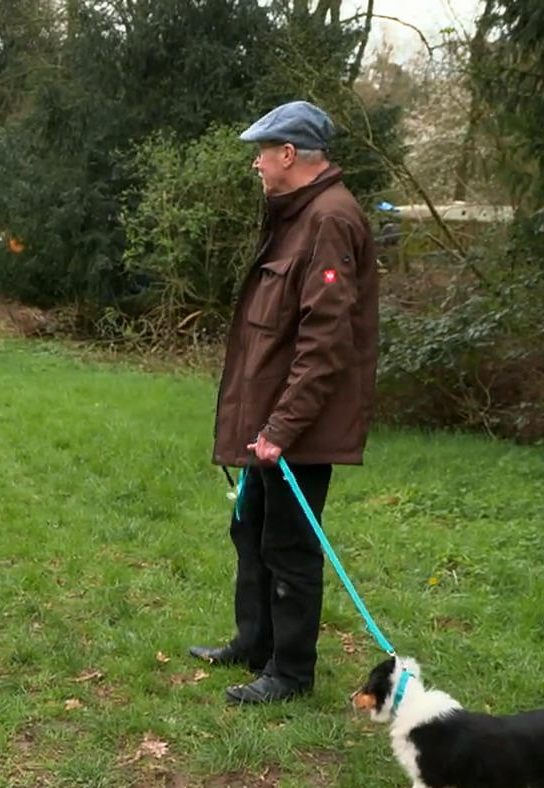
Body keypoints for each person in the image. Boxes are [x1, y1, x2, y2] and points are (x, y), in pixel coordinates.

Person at [189, 101, 380, 705]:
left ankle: (291, 673)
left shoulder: (329, 220)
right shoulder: (297, 216)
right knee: (250, 529)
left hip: (296, 427)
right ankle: (254, 644)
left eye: (262, 152)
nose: (257, 163)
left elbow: (327, 343)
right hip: (268, 421)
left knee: (290, 547)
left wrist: (282, 426)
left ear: (289, 154)